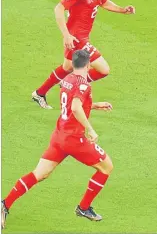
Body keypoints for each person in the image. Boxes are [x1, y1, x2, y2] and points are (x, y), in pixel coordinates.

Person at [2, 50, 114, 229]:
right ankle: (83, 207)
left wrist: (93, 105)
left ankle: (5, 204)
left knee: (39, 174)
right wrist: (90, 129)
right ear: (88, 65)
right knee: (107, 167)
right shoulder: (84, 85)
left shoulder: (67, 80)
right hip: (74, 140)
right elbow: (76, 108)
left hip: (59, 136)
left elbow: (72, 105)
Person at [32, 0, 135, 109]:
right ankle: (67, 84)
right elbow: (58, 8)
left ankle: (39, 93)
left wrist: (122, 10)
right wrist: (66, 35)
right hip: (76, 38)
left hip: (81, 36)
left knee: (67, 67)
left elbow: (104, 2)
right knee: (104, 69)